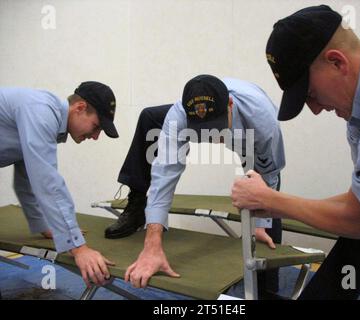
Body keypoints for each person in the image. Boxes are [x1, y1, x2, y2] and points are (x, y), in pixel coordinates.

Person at [232, 5, 360, 299]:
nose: (315, 109)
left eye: (309, 94)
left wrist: (270, 200)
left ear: (337, 62)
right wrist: (273, 202)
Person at [114, 75, 285, 297]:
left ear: (230, 106)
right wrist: (152, 244)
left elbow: (269, 175)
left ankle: (267, 291)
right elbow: (162, 178)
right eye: (202, 130)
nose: (213, 137)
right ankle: (136, 208)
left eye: (217, 127)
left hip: (252, 139)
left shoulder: (262, 121)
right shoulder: (177, 116)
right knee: (150, 117)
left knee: (266, 223)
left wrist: (260, 223)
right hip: (212, 120)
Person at [0, 81, 119, 287]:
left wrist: (43, 226)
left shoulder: (45, 117)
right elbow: (48, 183)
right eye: (97, 126)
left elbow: (26, 180)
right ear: (80, 108)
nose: (96, 136)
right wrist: (78, 248)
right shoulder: (41, 112)